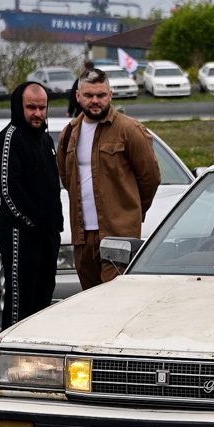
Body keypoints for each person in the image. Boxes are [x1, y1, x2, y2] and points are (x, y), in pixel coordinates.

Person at [57, 67, 160, 289]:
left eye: (101, 95)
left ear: (110, 95)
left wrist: (130, 213)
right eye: (89, 95)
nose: (95, 101)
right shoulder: (69, 133)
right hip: (82, 237)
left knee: (117, 301)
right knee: (90, 302)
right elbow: (67, 177)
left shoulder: (130, 130)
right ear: (78, 96)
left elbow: (150, 178)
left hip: (119, 235)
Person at [0, 81, 63, 328]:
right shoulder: (9, 139)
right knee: (21, 298)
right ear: (19, 107)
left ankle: (39, 353)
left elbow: (52, 187)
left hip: (46, 235)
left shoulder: (46, 141)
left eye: (42, 108)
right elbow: (9, 192)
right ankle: (12, 353)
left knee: (44, 297)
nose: (37, 114)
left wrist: (55, 225)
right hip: (20, 234)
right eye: (31, 107)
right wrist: (36, 223)